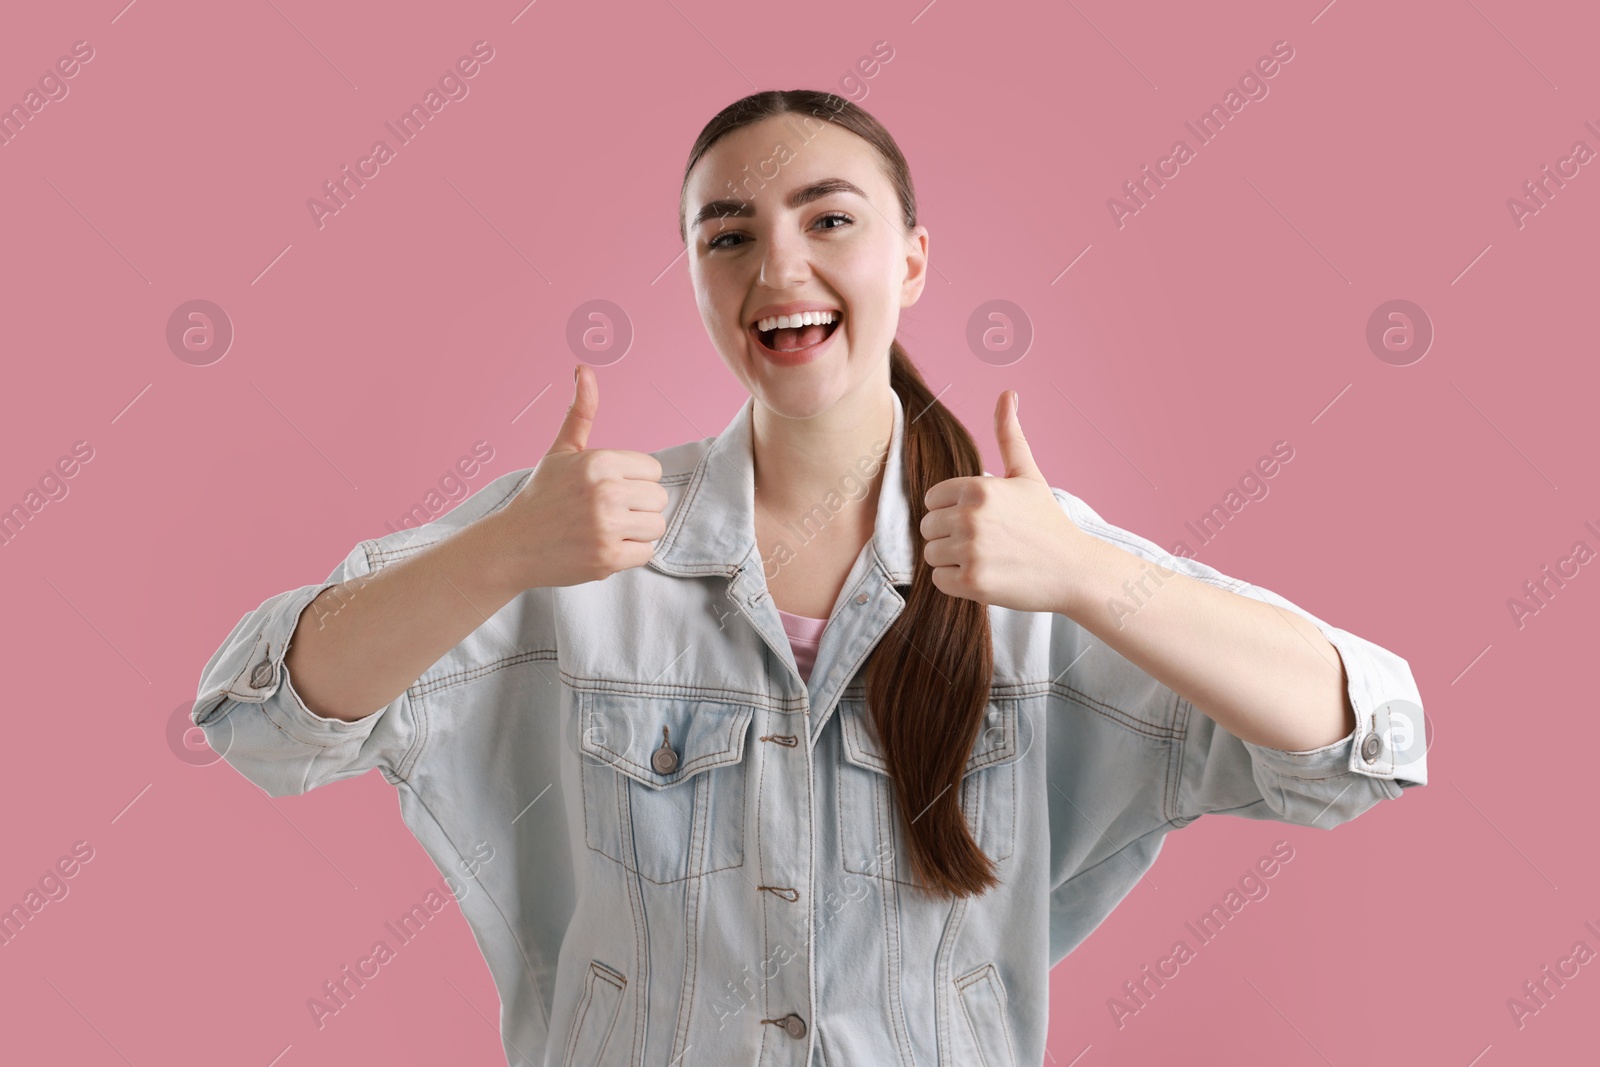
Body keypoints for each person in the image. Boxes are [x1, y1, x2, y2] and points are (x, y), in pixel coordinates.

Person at [192, 90, 1429, 1067]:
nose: (777, 262)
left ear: (914, 262)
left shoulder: (1037, 560)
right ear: (695, 277)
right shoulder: (569, 548)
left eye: (829, 218)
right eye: (728, 234)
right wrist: (501, 551)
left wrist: (1097, 576)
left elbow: (1360, 743)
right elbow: (258, 721)